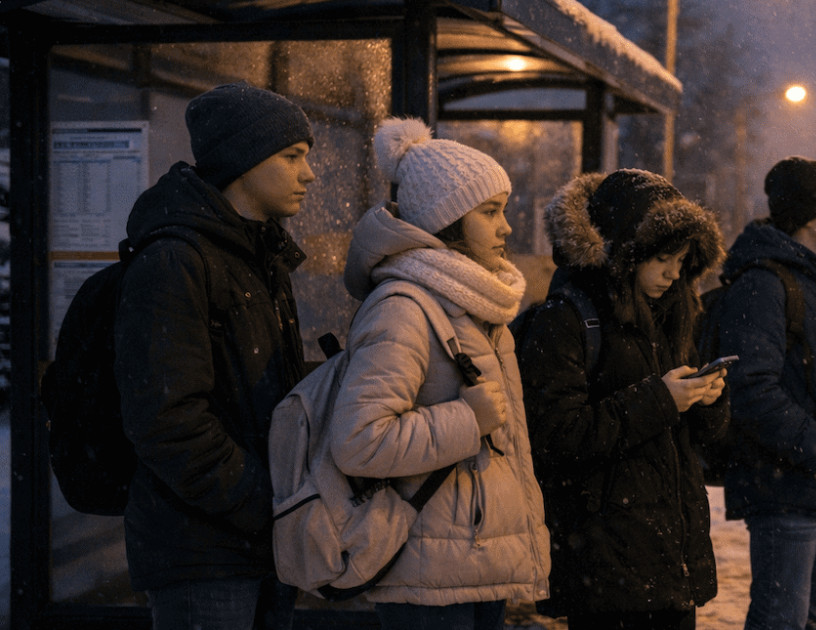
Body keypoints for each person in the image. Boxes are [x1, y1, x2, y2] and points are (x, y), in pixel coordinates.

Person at [329, 117, 550, 630]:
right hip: (426, 577)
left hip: (471, 564)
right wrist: (466, 421)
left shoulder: (476, 304)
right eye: (489, 212)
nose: (506, 228)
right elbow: (359, 441)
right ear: (447, 220)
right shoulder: (404, 307)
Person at [114, 82, 315, 630]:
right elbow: (166, 419)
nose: (308, 174)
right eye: (292, 156)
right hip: (202, 552)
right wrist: (262, 498)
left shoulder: (259, 255)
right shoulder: (176, 259)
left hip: (260, 541)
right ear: (243, 161)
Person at [516, 169, 729, 630]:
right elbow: (555, 435)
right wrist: (661, 400)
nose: (673, 273)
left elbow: (697, 440)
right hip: (605, 565)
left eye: (682, 259)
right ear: (624, 253)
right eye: (662, 258)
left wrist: (707, 399)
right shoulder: (567, 317)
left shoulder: (671, 313)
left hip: (670, 558)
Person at [707, 156, 816, 630]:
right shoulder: (763, 285)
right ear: (809, 216)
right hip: (785, 486)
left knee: (815, 617)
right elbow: (749, 388)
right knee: (781, 619)